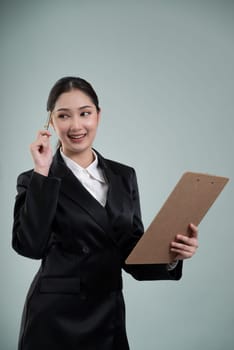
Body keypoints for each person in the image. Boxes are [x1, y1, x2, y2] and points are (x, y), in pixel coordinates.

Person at [12, 76, 198, 350]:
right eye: (64, 116)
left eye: (85, 113)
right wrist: (43, 171)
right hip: (55, 318)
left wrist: (172, 256)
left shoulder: (124, 176)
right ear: (51, 121)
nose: (76, 126)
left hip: (108, 314)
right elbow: (30, 246)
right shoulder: (36, 179)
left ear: (98, 116)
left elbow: (132, 253)